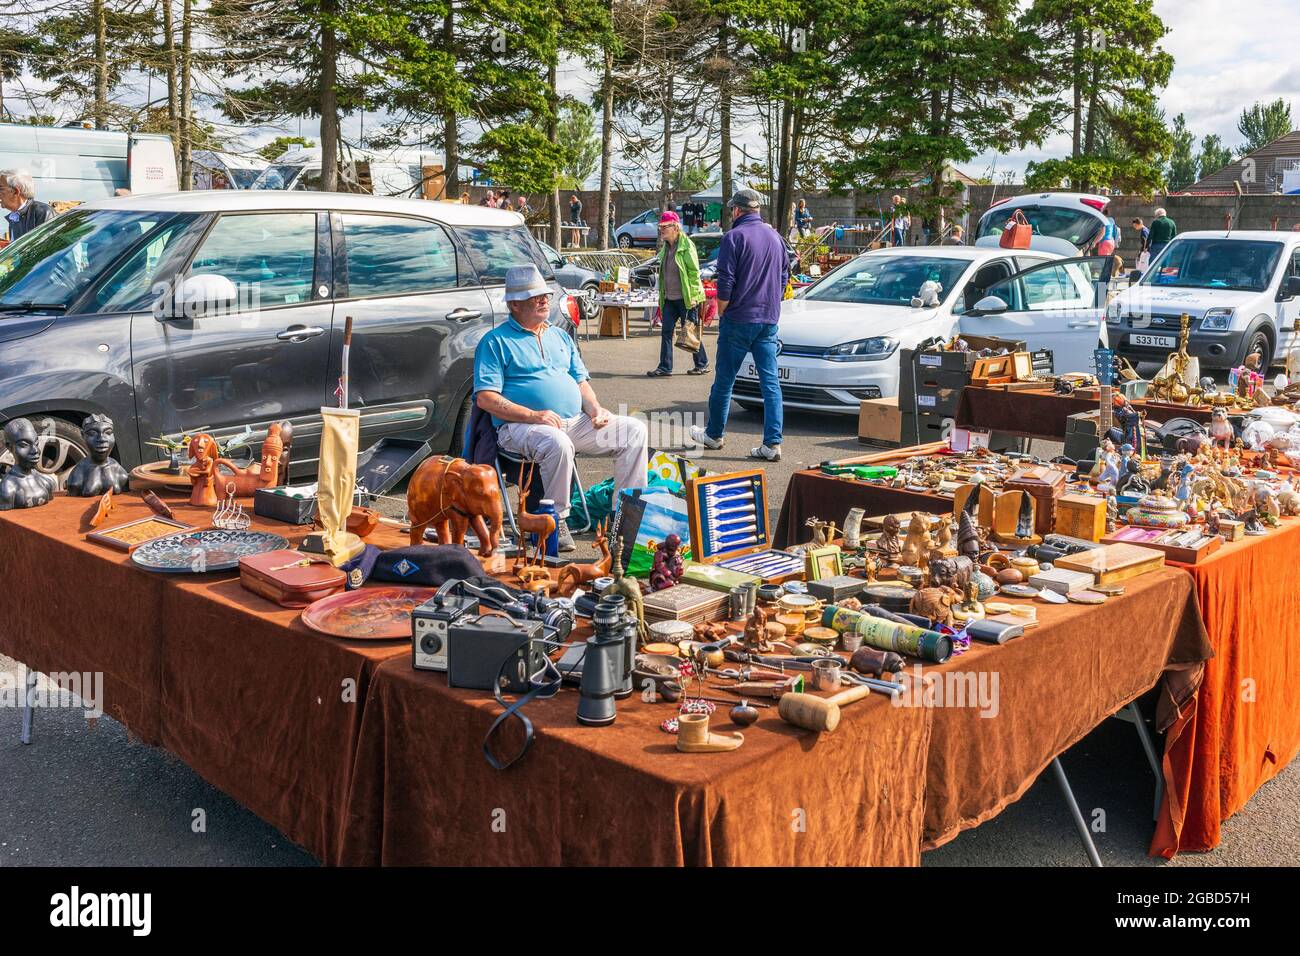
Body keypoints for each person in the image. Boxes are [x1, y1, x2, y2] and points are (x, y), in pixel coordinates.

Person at [474, 265, 647, 551]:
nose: (544, 300)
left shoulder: (560, 336)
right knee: (558, 443)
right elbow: (486, 399)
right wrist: (533, 415)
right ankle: (556, 518)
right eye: (535, 297)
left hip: (573, 421)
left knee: (634, 431)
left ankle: (625, 518)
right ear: (515, 304)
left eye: (545, 294)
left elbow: (580, 381)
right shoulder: (495, 342)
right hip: (518, 428)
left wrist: (595, 409)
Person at [688, 188, 788, 461]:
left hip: (739, 318)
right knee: (770, 383)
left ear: (737, 210)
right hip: (768, 318)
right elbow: (783, 276)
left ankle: (714, 434)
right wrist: (772, 301)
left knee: (724, 380)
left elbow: (725, 279)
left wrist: (722, 307)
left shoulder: (734, 237)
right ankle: (772, 444)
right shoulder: (775, 237)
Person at [647, 211, 708, 378]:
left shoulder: (686, 245)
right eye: (660, 227)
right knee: (666, 331)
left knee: (690, 332)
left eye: (665, 227)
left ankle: (702, 363)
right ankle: (665, 367)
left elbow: (694, 272)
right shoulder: (667, 247)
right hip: (669, 298)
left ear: (675, 227)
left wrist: (694, 296)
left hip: (687, 298)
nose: (662, 230)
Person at [1, 169, 55, 243]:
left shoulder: (43, 212)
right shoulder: (14, 217)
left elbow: (49, 248)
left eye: (0, 189)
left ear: (16, 191)